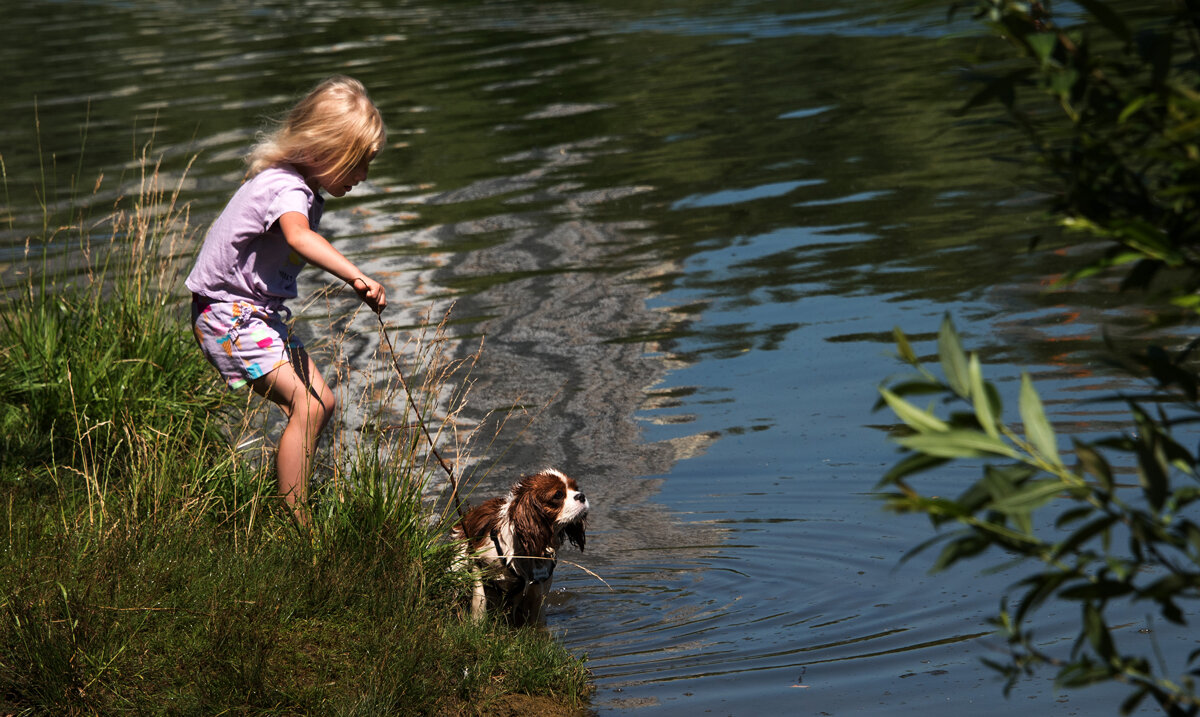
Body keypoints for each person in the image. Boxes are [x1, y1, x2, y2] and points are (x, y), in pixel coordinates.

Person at [185, 75, 388, 527]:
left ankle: (295, 506)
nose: (363, 177)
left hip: (253, 315)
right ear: (327, 151)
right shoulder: (288, 189)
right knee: (312, 405)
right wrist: (356, 275)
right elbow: (299, 236)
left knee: (320, 404)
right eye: (358, 165)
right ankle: (300, 528)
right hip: (228, 314)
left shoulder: (295, 186)